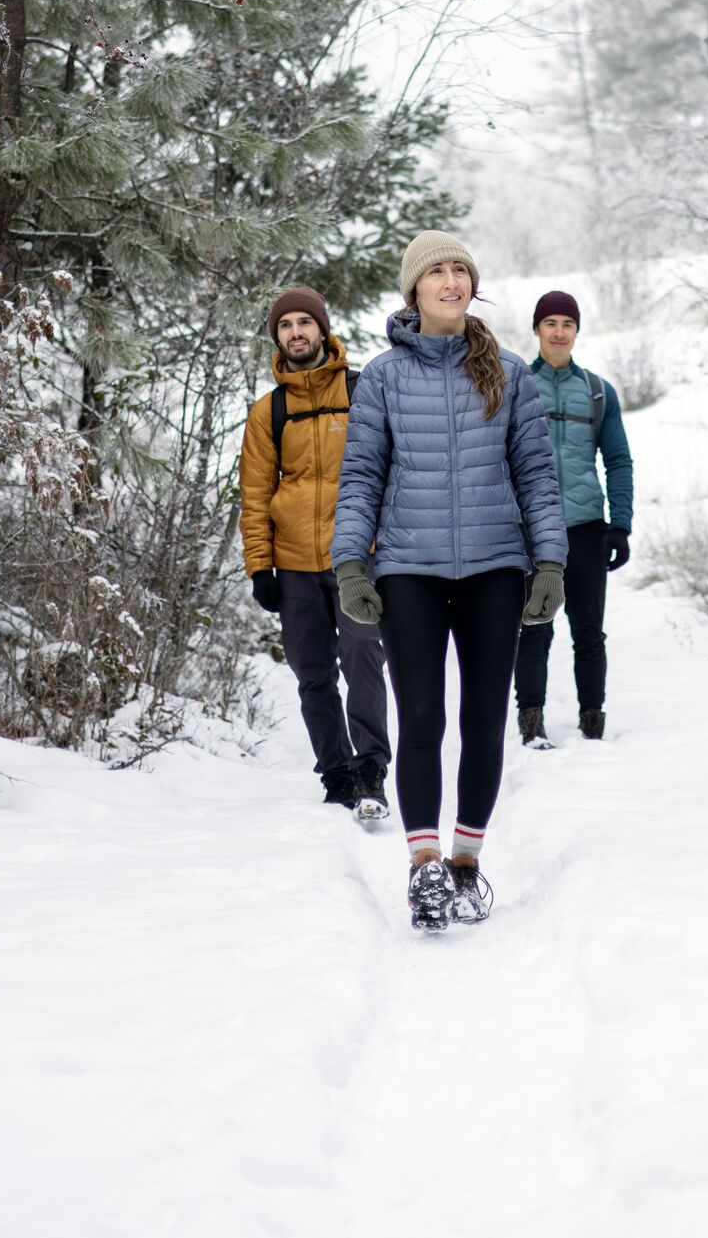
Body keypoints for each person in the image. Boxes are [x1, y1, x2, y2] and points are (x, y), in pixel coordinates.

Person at [331, 233, 568, 931]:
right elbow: (362, 478)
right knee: (425, 719)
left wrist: (549, 561)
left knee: (484, 719)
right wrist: (351, 562)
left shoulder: (512, 373)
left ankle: (466, 862)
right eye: (437, 270)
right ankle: (423, 866)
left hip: (497, 564)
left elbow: (537, 476)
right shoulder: (382, 378)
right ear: (414, 290)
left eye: (461, 269)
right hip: (409, 567)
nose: (452, 279)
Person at [239, 286, 390, 819]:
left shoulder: (363, 390)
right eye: (286, 325)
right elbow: (255, 495)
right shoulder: (269, 411)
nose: (296, 332)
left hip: (358, 559)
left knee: (364, 659)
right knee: (313, 674)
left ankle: (372, 766)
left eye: (305, 322)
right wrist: (261, 567)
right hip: (295, 564)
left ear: (323, 329)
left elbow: (391, 474)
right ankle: (337, 772)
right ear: (277, 337)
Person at [514, 290, 635, 746]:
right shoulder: (517, 385)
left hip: (586, 526)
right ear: (537, 330)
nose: (559, 332)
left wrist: (620, 524)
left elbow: (619, 460)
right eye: (550, 324)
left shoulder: (598, 391)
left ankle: (592, 720)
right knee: (533, 627)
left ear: (576, 331)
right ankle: (531, 722)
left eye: (567, 324)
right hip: (532, 529)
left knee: (588, 631)